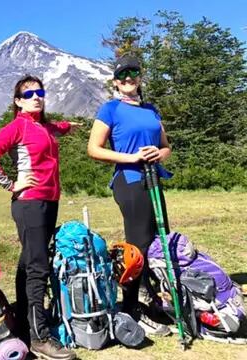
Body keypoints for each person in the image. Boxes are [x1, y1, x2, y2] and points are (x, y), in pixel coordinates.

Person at [0, 75, 78, 360]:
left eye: (40, 92)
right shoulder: (17, 126)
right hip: (30, 203)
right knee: (38, 267)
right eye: (29, 93)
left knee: (29, 262)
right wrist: (11, 184)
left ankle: (23, 321)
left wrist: (68, 127)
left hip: (49, 201)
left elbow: (54, 128)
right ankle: (39, 338)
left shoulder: (43, 127)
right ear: (18, 101)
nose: (36, 96)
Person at [87, 54, 172, 336]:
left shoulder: (151, 110)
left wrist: (158, 153)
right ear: (116, 82)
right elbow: (94, 148)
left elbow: (165, 147)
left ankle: (156, 300)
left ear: (140, 77)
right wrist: (130, 156)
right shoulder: (110, 109)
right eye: (122, 76)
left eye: (133, 73)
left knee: (160, 239)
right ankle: (132, 307)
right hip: (129, 179)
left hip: (153, 178)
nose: (128, 79)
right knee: (139, 244)